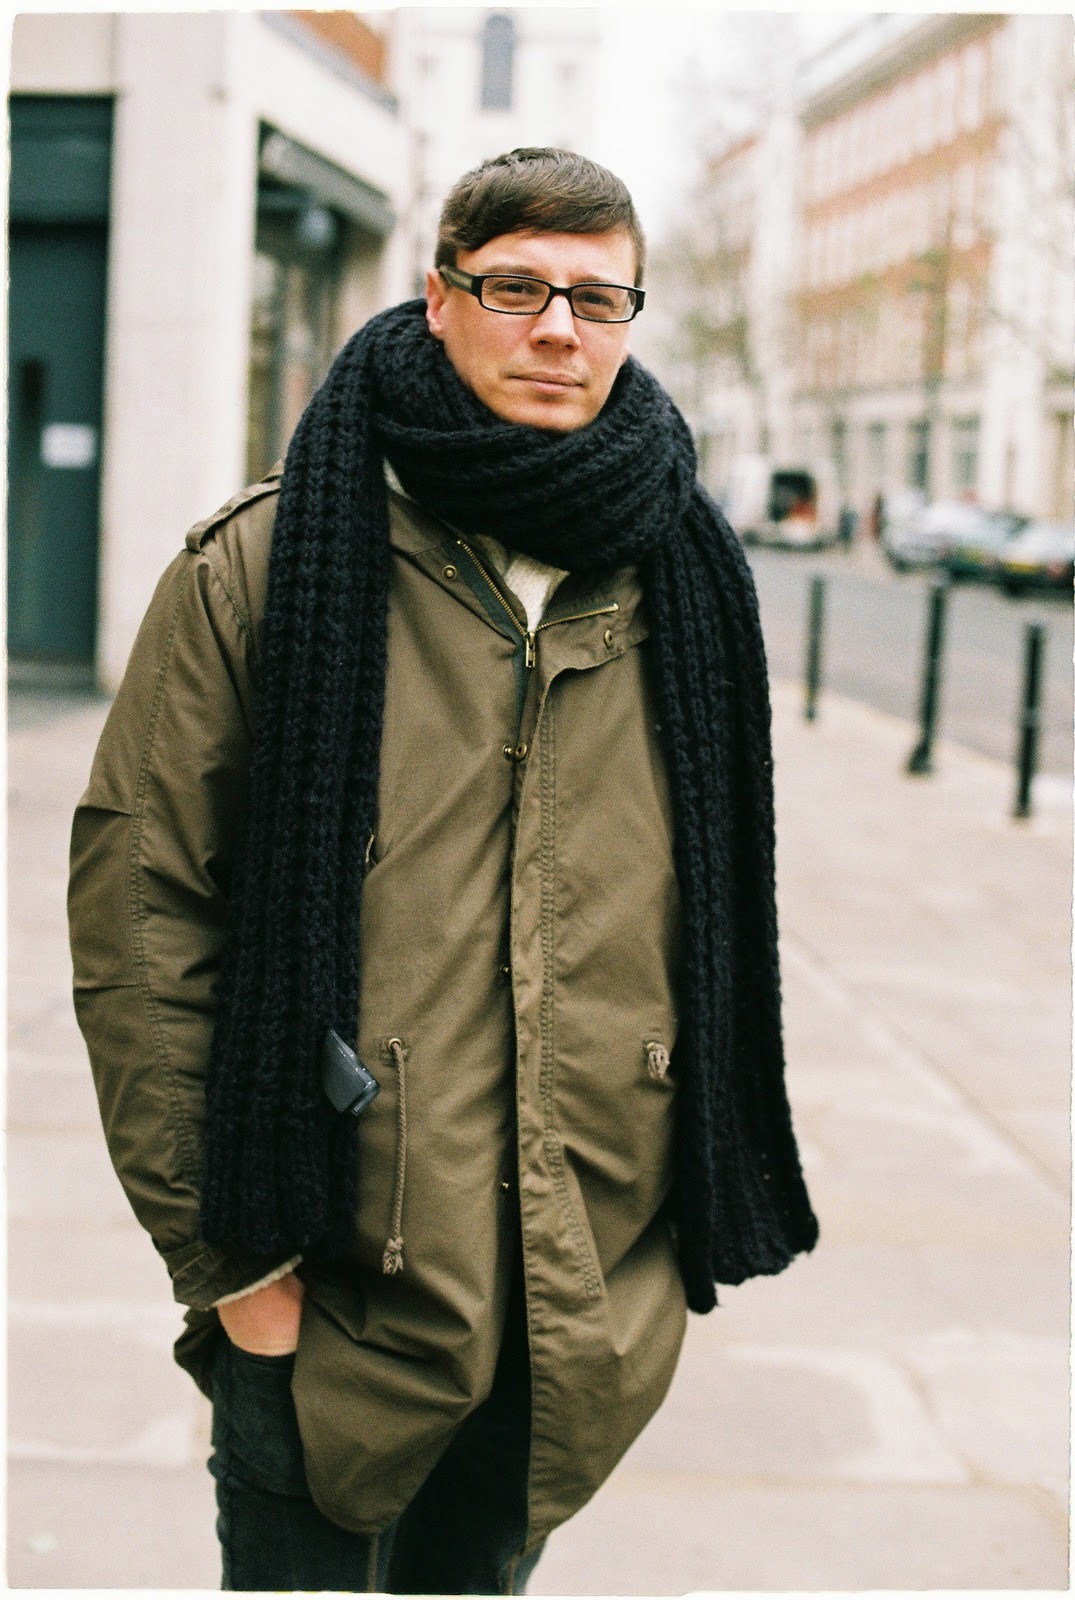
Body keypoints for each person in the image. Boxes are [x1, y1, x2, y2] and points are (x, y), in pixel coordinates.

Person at [68, 147, 818, 1595]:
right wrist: (239, 1274)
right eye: (517, 287)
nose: (559, 329)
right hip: (328, 1293)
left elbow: (701, 938)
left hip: (579, 1310)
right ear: (439, 297)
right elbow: (142, 921)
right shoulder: (267, 564)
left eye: (598, 297)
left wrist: (647, 1253)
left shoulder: (681, 582)